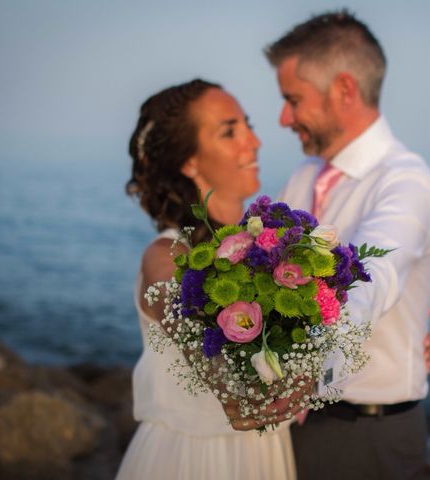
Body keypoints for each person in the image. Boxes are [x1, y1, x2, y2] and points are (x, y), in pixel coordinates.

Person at [265, 10, 430, 479]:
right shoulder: (303, 176)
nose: (284, 117)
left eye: (293, 99)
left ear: (344, 89)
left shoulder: (405, 182)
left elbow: (373, 275)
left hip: (365, 437)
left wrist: (314, 361)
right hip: (289, 424)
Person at [115, 79, 297, 480]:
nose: (254, 141)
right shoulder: (165, 257)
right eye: (229, 131)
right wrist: (234, 391)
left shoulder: (274, 252)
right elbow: (192, 335)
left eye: (247, 125)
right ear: (190, 161)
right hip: (191, 460)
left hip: (267, 456)